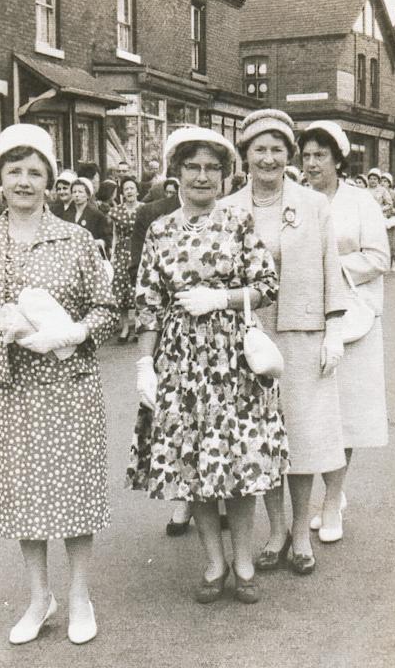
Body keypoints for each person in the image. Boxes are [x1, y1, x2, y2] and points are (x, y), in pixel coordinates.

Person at [0, 123, 118, 645]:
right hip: (5, 391)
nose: (24, 181)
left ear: (50, 181)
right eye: (14, 171)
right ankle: (41, 598)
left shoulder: (76, 239)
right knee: (23, 496)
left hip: (68, 384)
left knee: (72, 491)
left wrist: (75, 329)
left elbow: (108, 308)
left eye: (34, 171)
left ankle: (81, 594)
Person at [126, 126, 288, 604]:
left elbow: (268, 284)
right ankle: (214, 564)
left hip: (233, 359)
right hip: (179, 361)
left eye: (212, 168)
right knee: (193, 465)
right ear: (176, 174)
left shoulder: (238, 222)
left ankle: (242, 563)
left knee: (240, 462)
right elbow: (148, 301)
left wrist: (223, 296)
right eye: (192, 167)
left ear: (223, 175)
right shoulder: (159, 228)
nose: (202, 176)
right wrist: (144, 363)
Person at [225, 109, 348, 574]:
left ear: (288, 155)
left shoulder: (313, 205)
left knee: (303, 437)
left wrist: (333, 329)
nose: (270, 158)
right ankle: (275, 530)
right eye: (261, 149)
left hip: (303, 334)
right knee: (263, 439)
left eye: (278, 149)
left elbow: (328, 267)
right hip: (251, 338)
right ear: (246, 156)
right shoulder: (229, 208)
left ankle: (300, 532)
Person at [299, 121, 390, 541]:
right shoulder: (295, 201)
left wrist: (330, 268)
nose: (312, 162)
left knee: (343, 415)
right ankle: (328, 490)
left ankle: (332, 499)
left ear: (338, 159)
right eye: (307, 155)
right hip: (306, 319)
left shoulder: (360, 202)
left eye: (320, 155)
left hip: (354, 321)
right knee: (313, 413)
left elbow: (379, 257)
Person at [111, 176, 144, 342]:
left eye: (132, 188)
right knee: (121, 290)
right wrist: (112, 256)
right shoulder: (116, 211)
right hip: (122, 252)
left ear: (137, 191)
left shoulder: (144, 209)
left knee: (137, 288)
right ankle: (125, 327)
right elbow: (115, 234)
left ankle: (138, 324)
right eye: (126, 189)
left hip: (139, 250)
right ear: (122, 193)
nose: (129, 191)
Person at [64, 178, 112, 253]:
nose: (77, 195)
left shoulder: (97, 215)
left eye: (80, 192)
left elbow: (107, 239)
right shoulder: (66, 214)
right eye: (74, 192)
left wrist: (98, 242)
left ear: (88, 195)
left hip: (90, 254)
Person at [380, 172, 395, 268]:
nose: (383, 183)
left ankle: (392, 261)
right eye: (382, 181)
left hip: (392, 221)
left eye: (385, 181)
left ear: (389, 183)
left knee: (392, 242)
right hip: (382, 219)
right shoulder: (379, 192)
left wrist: (393, 210)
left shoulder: (394, 193)